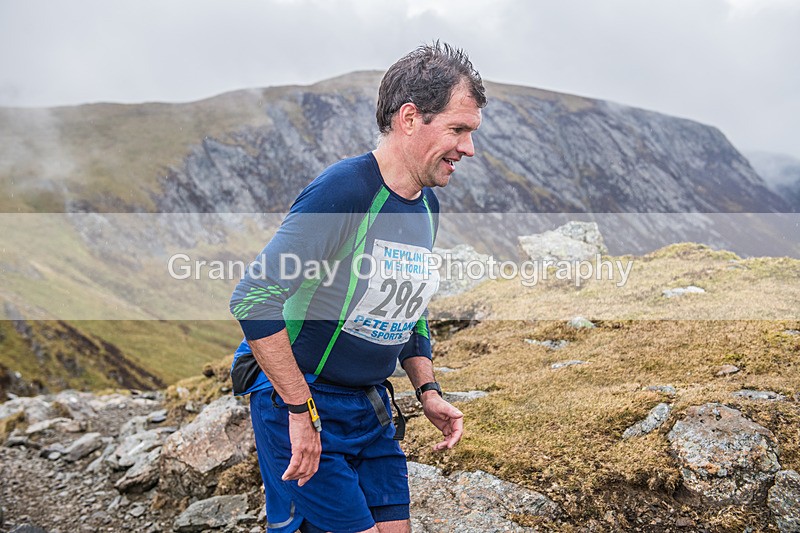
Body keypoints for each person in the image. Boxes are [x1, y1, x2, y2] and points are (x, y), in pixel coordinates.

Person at [229, 41, 486, 533]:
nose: (468, 148)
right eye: (458, 130)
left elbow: (407, 306)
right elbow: (254, 297)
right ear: (410, 118)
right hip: (303, 403)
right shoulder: (345, 190)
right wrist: (299, 411)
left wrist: (427, 390)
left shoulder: (427, 205)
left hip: (370, 408)